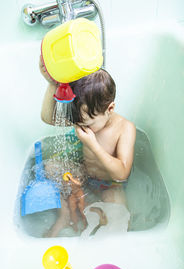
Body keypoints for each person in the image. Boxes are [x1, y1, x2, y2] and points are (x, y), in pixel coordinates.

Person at [39, 56, 136, 236]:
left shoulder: (125, 128)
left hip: (110, 184)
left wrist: (93, 145)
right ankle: (65, 212)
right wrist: (52, 84)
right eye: (79, 122)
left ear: (110, 109)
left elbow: (122, 173)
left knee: (119, 221)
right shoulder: (85, 116)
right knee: (49, 167)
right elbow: (47, 117)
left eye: (87, 123)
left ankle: (93, 211)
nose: (82, 127)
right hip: (84, 174)